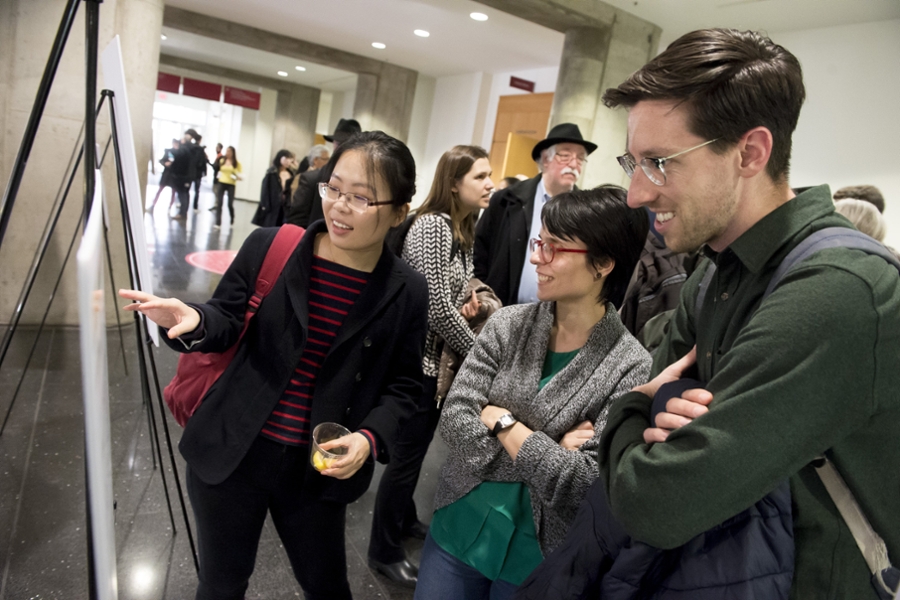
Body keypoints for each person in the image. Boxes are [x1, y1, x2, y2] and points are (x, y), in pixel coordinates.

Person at [580, 27, 899, 599]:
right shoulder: (714, 269)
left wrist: (629, 409)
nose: (634, 192)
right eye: (634, 159)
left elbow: (656, 500)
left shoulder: (839, 290)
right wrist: (653, 404)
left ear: (750, 153)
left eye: (659, 162)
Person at [118, 130, 429, 600]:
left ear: (399, 212)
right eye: (334, 188)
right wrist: (193, 318)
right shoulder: (272, 247)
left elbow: (405, 384)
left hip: (317, 469)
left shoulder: (406, 290)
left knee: (328, 587)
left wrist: (369, 438)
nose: (340, 206)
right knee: (221, 584)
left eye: (361, 198)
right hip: (234, 449)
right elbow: (225, 317)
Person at [414, 187, 651, 600]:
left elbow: (585, 485)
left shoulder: (630, 364)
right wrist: (552, 446)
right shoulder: (508, 324)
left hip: (539, 555)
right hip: (459, 525)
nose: (537, 258)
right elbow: (453, 420)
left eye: (555, 248)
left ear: (604, 264)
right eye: (539, 242)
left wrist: (504, 421)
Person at [367, 145, 495, 587]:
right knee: (405, 461)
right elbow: (436, 311)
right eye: (480, 176)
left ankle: (402, 522)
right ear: (454, 182)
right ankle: (382, 550)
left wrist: (470, 299)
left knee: (413, 455)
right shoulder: (433, 227)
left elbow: (452, 294)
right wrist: (482, 356)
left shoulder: (462, 228)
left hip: (434, 362)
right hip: (417, 364)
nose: (490, 184)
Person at [474, 123, 597, 306]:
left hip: (554, 319)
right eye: (565, 155)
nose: (573, 164)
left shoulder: (585, 212)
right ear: (546, 159)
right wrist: (484, 297)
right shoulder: (507, 200)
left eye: (580, 158)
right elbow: (479, 252)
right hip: (499, 310)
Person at [286, 119, 362, 228]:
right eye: (340, 143)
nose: (342, 148)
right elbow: (296, 224)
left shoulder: (363, 183)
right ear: (334, 144)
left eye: (348, 144)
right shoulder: (312, 179)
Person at [252, 149, 295, 227]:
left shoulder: (291, 173)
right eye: (286, 158)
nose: (287, 161)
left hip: (285, 205)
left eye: (289, 159)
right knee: (270, 225)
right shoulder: (272, 173)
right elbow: (265, 189)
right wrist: (265, 204)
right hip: (273, 204)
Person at [147, 139, 179, 213]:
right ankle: (153, 204)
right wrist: (165, 163)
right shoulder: (168, 151)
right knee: (160, 190)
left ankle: (170, 207)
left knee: (173, 192)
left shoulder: (180, 153)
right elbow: (162, 160)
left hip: (174, 175)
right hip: (166, 174)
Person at [170, 130, 196, 221]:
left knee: (183, 194)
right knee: (185, 193)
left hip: (184, 175)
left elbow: (179, 157)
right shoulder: (192, 148)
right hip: (187, 175)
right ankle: (183, 212)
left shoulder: (186, 149)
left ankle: (183, 213)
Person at [213, 146, 241, 228]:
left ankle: (232, 217)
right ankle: (218, 222)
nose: (227, 153)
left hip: (231, 184)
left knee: (229, 204)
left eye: (229, 151)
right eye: (227, 151)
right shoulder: (222, 160)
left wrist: (236, 176)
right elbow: (219, 171)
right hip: (221, 182)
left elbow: (239, 175)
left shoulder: (236, 163)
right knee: (219, 202)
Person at [190, 133, 209, 211]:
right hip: (197, 173)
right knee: (197, 190)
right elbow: (203, 161)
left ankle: (182, 205)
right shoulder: (200, 150)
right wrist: (204, 172)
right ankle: (195, 207)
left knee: (186, 189)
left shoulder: (191, 147)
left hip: (190, 171)